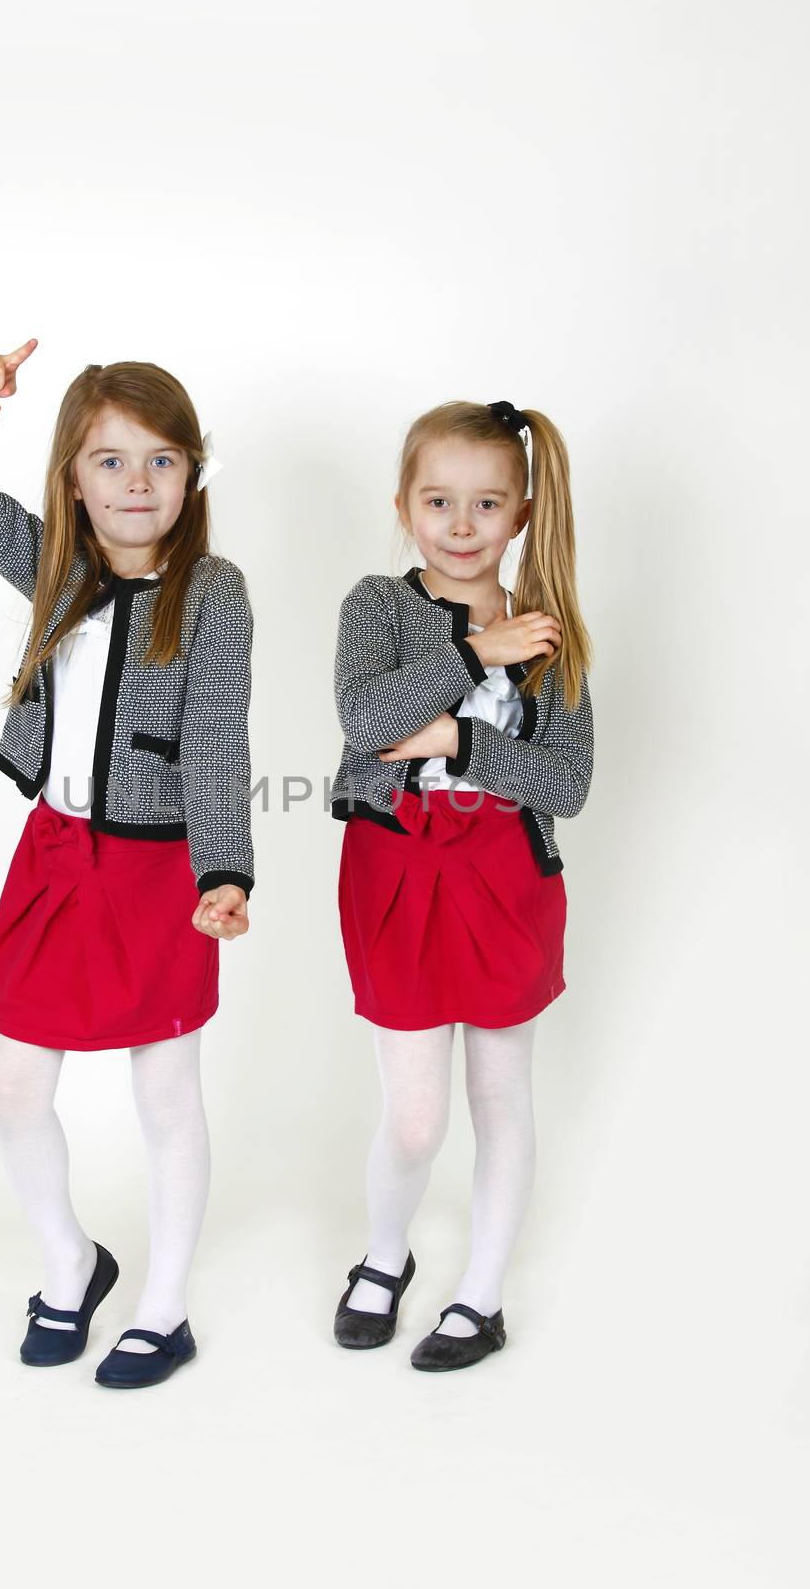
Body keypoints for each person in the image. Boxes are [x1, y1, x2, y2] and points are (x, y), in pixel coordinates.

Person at [0, 340, 254, 1389]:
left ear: (191, 472)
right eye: (109, 461)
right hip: (57, 860)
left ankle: (165, 1304)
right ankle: (71, 1264)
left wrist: (223, 871)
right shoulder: (56, 564)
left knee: (166, 1092)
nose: (135, 483)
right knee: (14, 1083)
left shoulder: (211, 592)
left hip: (161, 875)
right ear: (71, 473)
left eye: (160, 459)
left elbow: (214, 739)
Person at [328, 398, 594, 1372]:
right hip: (394, 867)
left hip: (505, 877)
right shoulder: (375, 604)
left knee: (498, 1094)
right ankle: (384, 1253)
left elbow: (564, 781)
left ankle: (478, 1296)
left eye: (485, 503)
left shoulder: (551, 631)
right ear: (403, 504)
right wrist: (476, 655)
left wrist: (456, 738)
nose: (459, 523)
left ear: (518, 514)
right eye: (437, 500)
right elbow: (364, 716)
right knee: (414, 1115)